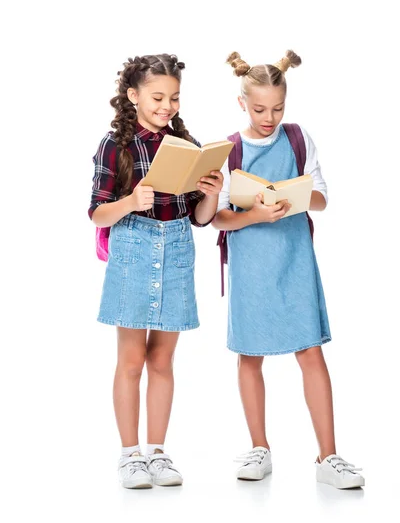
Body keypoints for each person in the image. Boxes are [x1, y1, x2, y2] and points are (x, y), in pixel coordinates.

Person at [212, 51, 364, 490]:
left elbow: (321, 197)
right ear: (242, 102)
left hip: (295, 259)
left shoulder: (298, 139)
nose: (270, 117)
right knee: (250, 355)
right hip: (250, 263)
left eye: (278, 108)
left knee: (311, 352)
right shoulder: (231, 150)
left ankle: (328, 455)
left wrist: (293, 196)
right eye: (260, 109)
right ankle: (259, 446)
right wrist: (256, 214)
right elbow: (218, 218)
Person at [89, 54, 223, 489]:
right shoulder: (116, 145)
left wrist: (212, 194)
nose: (168, 106)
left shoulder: (186, 143)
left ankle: (158, 453)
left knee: (162, 360)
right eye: (158, 97)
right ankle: (130, 455)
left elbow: (200, 219)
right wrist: (131, 202)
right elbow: (97, 214)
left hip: (178, 247)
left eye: (175, 98)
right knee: (131, 361)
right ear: (134, 96)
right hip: (133, 246)